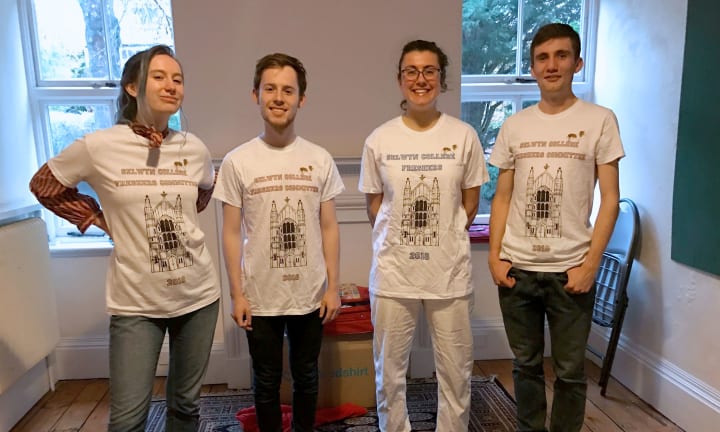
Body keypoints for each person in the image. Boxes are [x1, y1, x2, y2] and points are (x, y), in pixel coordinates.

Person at [29, 45, 220, 431]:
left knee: (185, 406)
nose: (171, 86)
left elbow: (201, 194)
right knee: (129, 418)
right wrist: (97, 218)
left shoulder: (194, 148)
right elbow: (45, 185)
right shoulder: (99, 146)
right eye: (159, 76)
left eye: (178, 79)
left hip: (198, 295)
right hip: (136, 301)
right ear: (132, 87)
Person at [488, 23, 624, 432]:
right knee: (525, 366)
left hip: (571, 273)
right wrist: (495, 258)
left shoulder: (600, 120)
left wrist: (590, 266)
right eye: (543, 58)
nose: (552, 65)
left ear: (577, 63)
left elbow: (611, 201)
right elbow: (503, 197)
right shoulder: (516, 125)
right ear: (532, 67)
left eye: (561, 56)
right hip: (518, 271)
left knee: (569, 372)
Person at [359, 40, 489, 431]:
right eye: (411, 71)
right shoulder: (379, 140)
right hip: (393, 275)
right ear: (400, 80)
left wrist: (441, 239)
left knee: (455, 372)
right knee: (389, 374)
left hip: (448, 276)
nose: (420, 79)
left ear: (441, 79)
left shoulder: (463, 136)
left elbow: (468, 205)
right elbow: (374, 208)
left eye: (429, 70)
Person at [213, 53, 344, 432]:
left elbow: (331, 227)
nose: (278, 97)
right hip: (259, 296)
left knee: (307, 377)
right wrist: (237, 294)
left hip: (309, 293)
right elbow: (231, 232)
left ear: (301, 98)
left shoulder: (319, 159)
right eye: (270, 88)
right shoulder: (239, 162)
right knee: (266, 381)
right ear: (255, 95)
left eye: (288, 90)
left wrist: (333, 287)